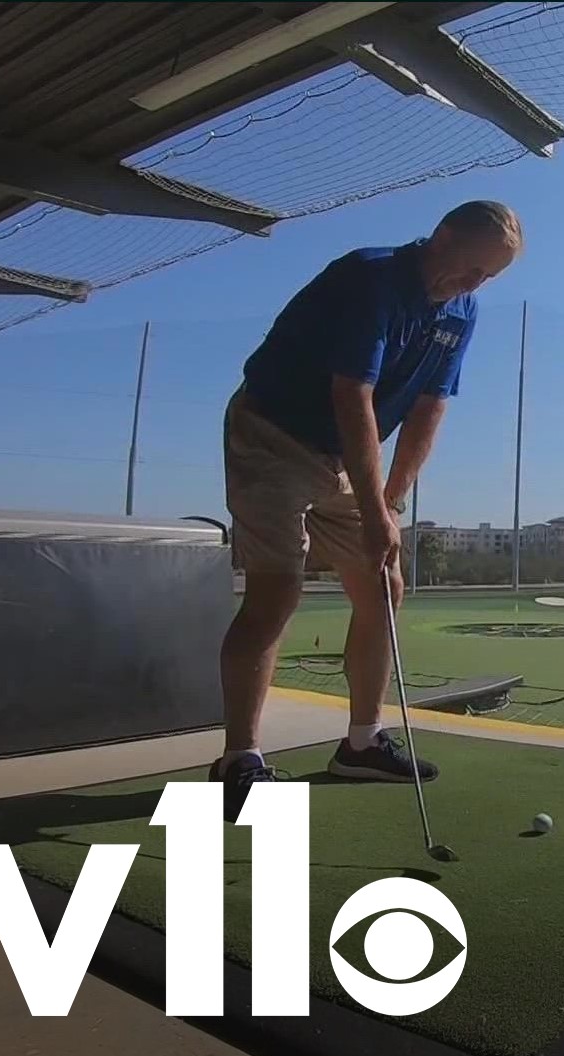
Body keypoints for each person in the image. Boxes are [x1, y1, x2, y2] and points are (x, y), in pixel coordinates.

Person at [211, 200, 523, 819]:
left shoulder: (463, 309)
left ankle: (361, 743)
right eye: (470, 270)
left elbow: (431, 405)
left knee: (384, 587)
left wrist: (391, 501)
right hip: (273, 433)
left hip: (343, 457)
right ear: (440, 236)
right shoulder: (370, 277)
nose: (472, 286)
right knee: (276, 592)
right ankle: (239, 759)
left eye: (488, 279)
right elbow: (351, 393)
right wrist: (377, 513)